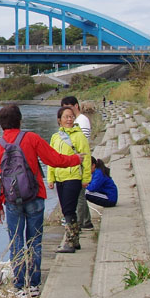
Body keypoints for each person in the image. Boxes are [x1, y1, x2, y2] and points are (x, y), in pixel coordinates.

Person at [0, 104, 81, 298]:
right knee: (35, 242)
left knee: (16, 242)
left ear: (1, 124)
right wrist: (76, 160)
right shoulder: (31, 138)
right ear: (20, 120)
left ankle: (20, 286)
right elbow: (54, 160)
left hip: (11, 201)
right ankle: (34, 285)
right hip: (35, 197)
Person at [47, 105, 92, 254]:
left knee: (68, 210)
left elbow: (86, 159)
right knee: (67, 208)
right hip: (60, 177)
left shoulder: (79, 136)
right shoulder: (55, 137)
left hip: (73, 177)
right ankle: (75, 239)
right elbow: (51, 159)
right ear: (59, 120)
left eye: (71, 116)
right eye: (66, 117)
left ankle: (70, 241)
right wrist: (51, 178)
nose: (69, 119)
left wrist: (86, 178)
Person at [60, 95, 93, 229]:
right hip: (74, 164)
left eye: (68, 108)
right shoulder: (77, 121)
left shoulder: (82, 121)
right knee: (78, 195)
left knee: (79, 195)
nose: (67, 114)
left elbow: (82, 144)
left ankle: (81, 221)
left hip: (78, 164)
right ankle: (84, 221)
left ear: (76, 106)